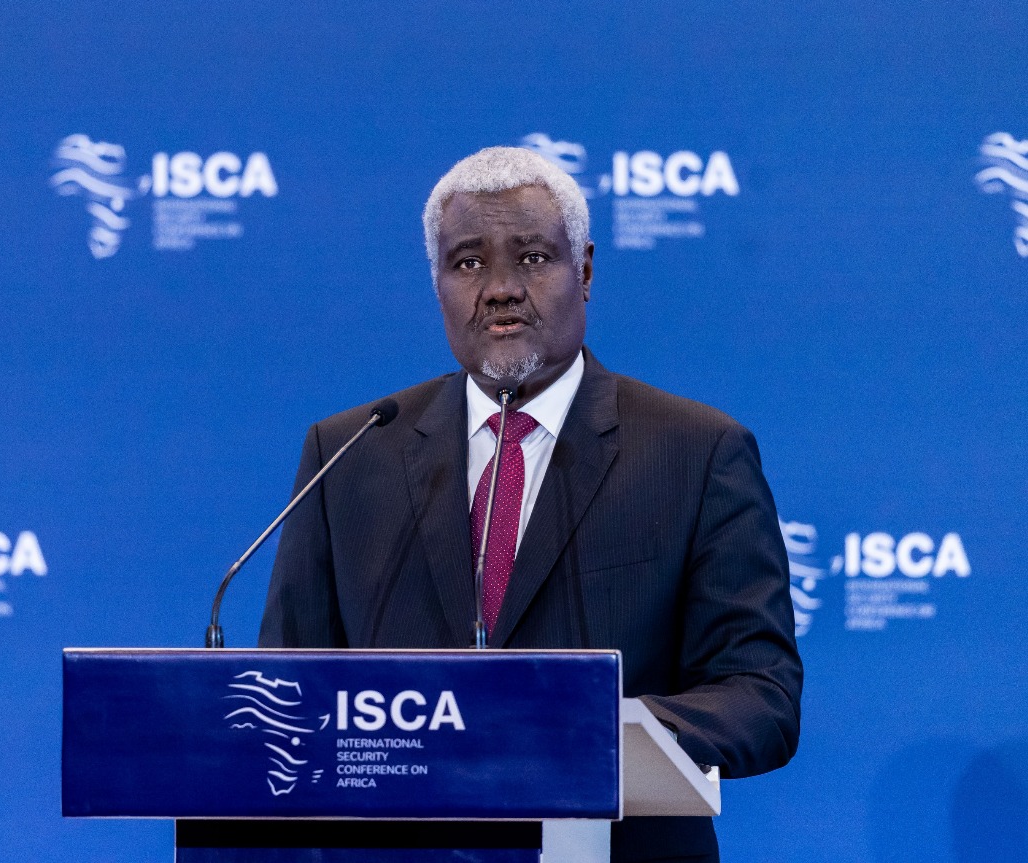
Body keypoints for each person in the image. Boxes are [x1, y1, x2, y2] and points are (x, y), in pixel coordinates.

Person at [259, 146, 802, 862]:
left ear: (585, 271)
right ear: (437, 284)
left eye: (533, 258)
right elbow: (284, 693)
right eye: (467, 263)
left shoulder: (696, 453)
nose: (501, 289)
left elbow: (760, 694)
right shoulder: (351, 453)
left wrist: (596, 729)